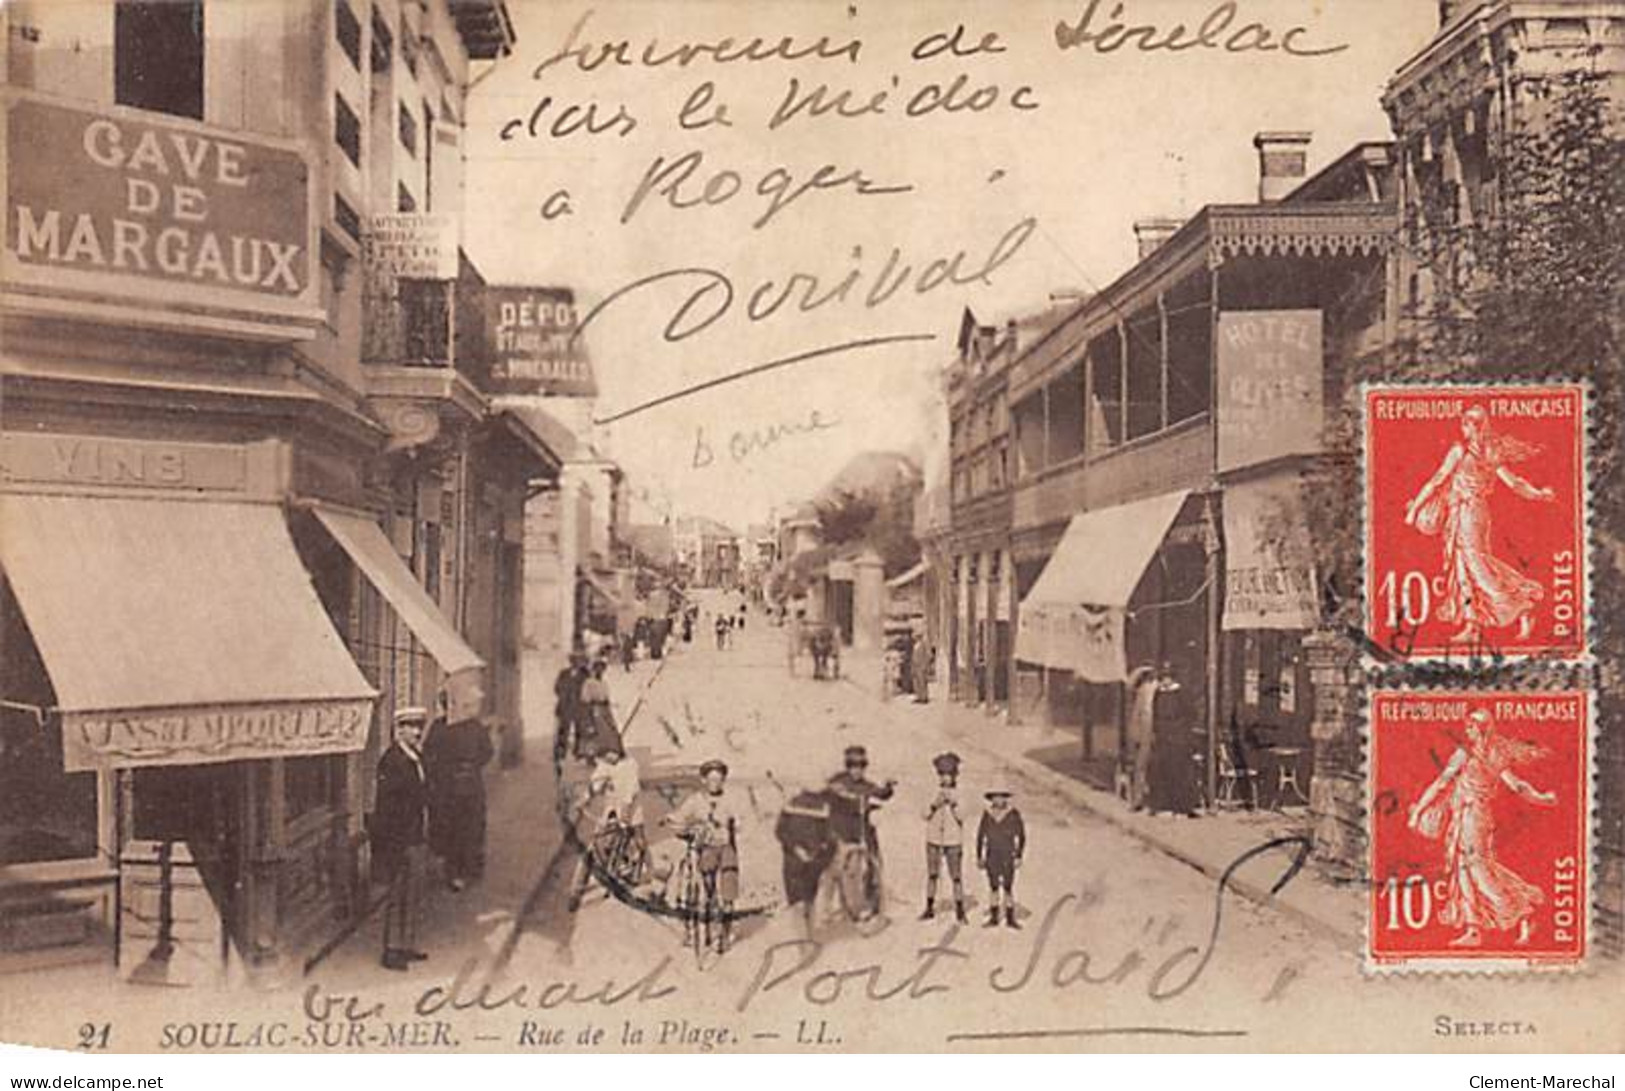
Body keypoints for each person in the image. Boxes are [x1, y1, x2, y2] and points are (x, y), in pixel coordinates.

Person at [1404, 405, 1555, 644]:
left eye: (1466, 424)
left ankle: (1522, 606)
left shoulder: (1460, 451)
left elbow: (1436, 481)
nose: (1462, 428)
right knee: (1463, 565)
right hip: (1470, 512)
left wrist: (1414, 509)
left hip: (1467, 512)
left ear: (1473, 426)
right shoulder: (1491, 452)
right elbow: (1514, 483)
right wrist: (1538, 494)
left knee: (1476, 564)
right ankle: (1472, 624)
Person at [1407, 708, 1556, 947]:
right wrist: (1541, 797)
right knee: (1464, 868)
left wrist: (1417, 812)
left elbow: (1442, 784)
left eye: (1471, 727)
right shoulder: (1486, 754)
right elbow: (1442, 783)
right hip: (1466, 816)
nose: (1467, 731)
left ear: (1482, 729)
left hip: (1474, 817)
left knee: (1477, 869)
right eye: (1467, 727)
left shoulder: (1475, 755)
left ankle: (1520, 912)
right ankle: (1474, 928)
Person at [371, 707, 431, 970]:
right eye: (411, 726)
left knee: (413, 892)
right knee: (396, 893)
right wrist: (393, 844)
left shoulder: (415, 757)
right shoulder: (392, 761)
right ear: (399, 730)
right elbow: (386, 807)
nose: (417, 731)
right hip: (399, 839)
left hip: (415, 835)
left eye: (419, 726)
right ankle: (392, 950)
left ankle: (407, 944)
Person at [423, 692, 494, 893]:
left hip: (466, 787)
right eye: (447, 705)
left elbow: (487, 751)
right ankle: (457, 871)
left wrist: (470, 767)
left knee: (470, 827)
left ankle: (467, 869)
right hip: (453, 788)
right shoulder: (441, 726)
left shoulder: (471, 726)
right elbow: (429, 754)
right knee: (455, 829)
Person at [665, 759, 744, 937]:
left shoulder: (731, 800)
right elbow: (680, 816)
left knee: (729, 883)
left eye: (719, 780)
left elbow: (740, 822)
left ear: (723, 781)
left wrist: (733, 825)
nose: (715, 784)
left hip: (726, 846)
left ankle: (727, 924)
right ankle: (706, 909)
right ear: (703, 780)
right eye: (711, 780)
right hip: (707, 847)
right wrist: (671, 820)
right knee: (705, 882)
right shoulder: (696, 800)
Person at [568, 742, 644, 910]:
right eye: (603, 755)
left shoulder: (630, 766)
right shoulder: (605, 764)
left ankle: (632, 873)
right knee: (592, 849)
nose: (606, 758)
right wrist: (584, 799)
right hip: (610, 813)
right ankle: (576, 890)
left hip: (630, 812)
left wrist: (624, 817)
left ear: (617, 751)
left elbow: (629, 795)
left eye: (609, 753)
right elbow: (595, 784)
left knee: (635, 844)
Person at [775, 788, 836, 936]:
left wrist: (818, 853)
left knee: (808, 901)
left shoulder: (824, 806)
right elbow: (781, 831)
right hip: (794, 862)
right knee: (799, 903)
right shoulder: (792, 804)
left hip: (811, 862)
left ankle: (808, 937)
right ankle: (803, 941)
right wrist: (797, 849)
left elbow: (829, 836)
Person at [920, 752, 968, 923]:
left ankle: (960, 910)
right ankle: (929, 907)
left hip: (953, 840)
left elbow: (963, 817)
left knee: (956, 876)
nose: (945, 778)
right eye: (942, 774)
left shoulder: (961, 792)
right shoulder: (932, 791)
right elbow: (924, 814)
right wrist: (935, 804)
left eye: (949, 774)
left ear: (955, 775)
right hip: (934, 838)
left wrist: (954, 804)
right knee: (932, 874)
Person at [826, 746, 895, 854]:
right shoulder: (838, 781)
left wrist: (888, 787)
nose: (857, 771)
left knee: (871, 846)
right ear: (848, 767)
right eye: (853, 767)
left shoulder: (865, 785)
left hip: (861, 830)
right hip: (840, 830)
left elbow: (880, 793)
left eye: (861, 767)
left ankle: (874, 866)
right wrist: (840, 794)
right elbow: (827, 792)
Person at [977, 788, 1026, 930]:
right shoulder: (987, 814)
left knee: (1008, 887)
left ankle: (1011, 918)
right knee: (993, 886)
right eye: (995, 797)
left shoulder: (1013, 814)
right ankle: (994, 917)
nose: (998, 800)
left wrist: (1018, 855)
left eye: (1002, 797)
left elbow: (1021, 836)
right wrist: (979, 856)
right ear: (991, 799)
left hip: (1007, 854)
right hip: (992, 854)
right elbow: (980, 836)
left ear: (1006, 798)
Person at [1126, 664, 1158, 811]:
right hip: (1144, 733)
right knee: (1141, 767)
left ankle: (1145, 799)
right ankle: (1139, 799)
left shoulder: (1152, 690)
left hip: (1151, 732)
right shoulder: (1142, 692)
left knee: (1145, 767)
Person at [576, 660, 621, 761]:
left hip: (605, 708)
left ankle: (610, 752)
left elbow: (606, 696)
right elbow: (585, 698)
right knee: (596, 731)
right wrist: (589, 711)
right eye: (598, 669)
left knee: (610, 729)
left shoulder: (604, 682)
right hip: (595, 708)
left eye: (602, 669)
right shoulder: (589, 682)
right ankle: (591, 754)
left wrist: (610, 704)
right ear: (594, 670)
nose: (600, 671)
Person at [553, 651, 588, 763]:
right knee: (563, 729)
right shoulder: (564, 673)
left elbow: (588, 688)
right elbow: (557, 687)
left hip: (579, 706)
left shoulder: (585, 674)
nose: (575, 663)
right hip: (565, 706)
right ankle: (561, 752)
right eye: (573, 660)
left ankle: (578, 752)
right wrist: (564, 695)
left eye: (578, 661)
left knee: (579, 730)